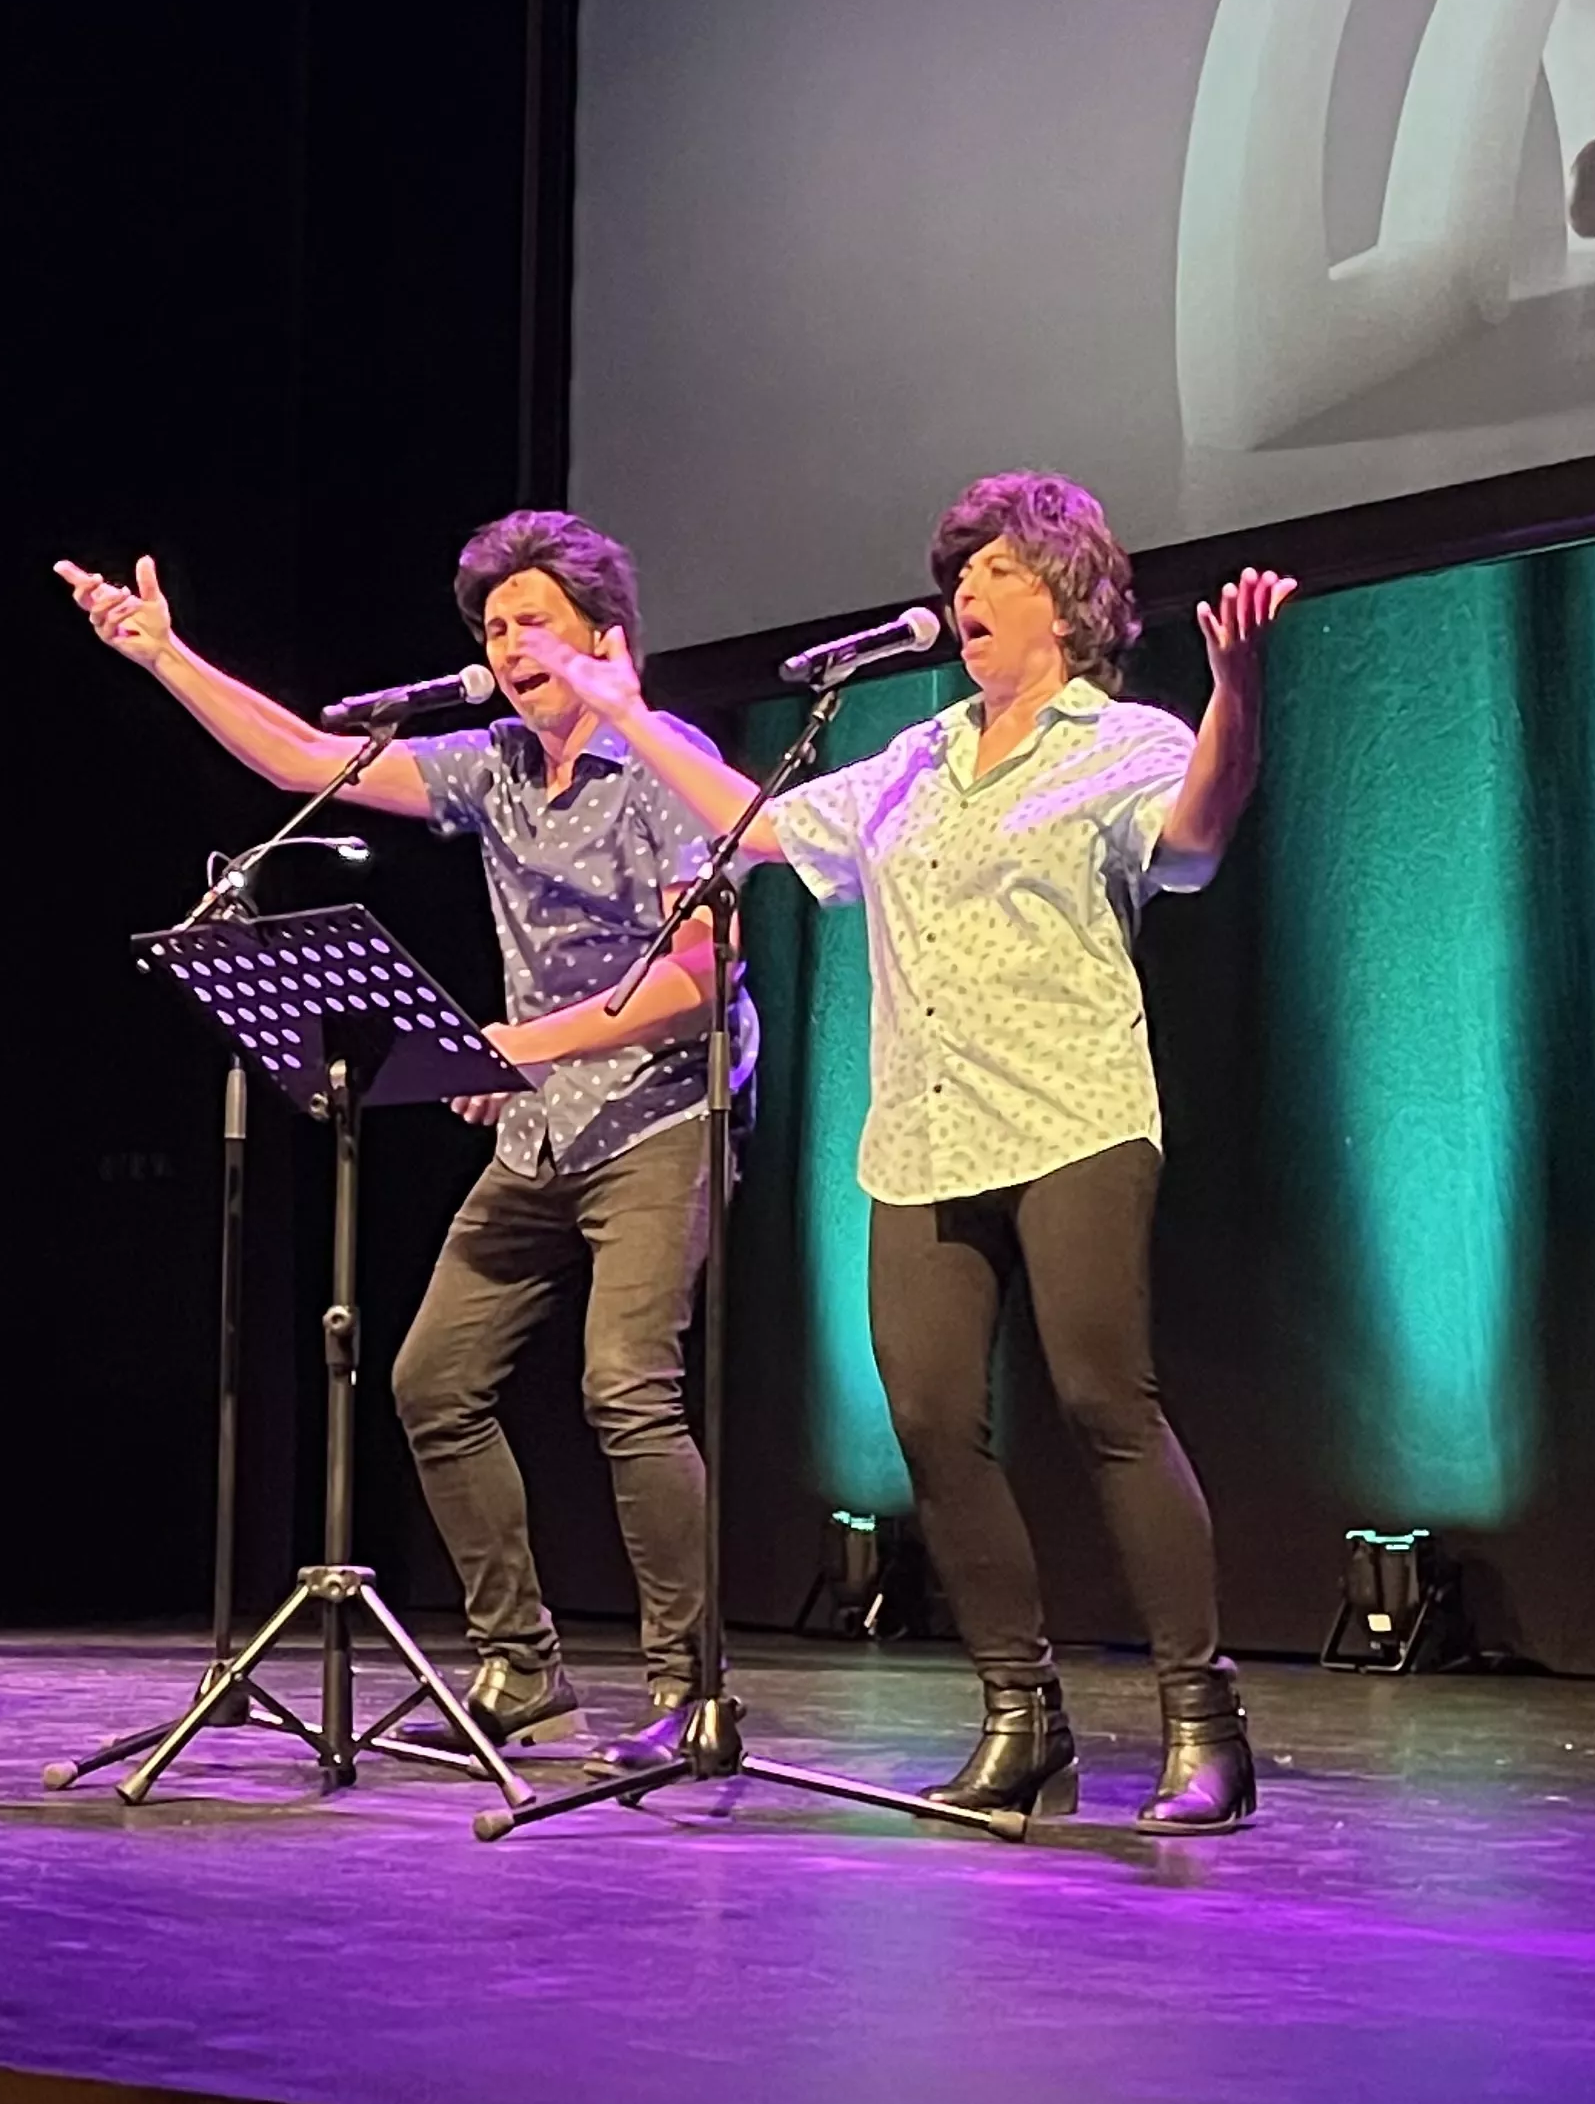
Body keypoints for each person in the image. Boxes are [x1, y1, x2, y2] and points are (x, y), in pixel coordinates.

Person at [513, 471, 1290, 1833]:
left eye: (991, 573)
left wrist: (1240, 694)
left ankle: (1200, 1720)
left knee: (1108, 1402)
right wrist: (629, 709)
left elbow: (1196, 843)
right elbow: (754, 830)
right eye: (959, 576)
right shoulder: (918, 760)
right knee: (932, 1419)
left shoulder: (1127, 742)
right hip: (924, 1131)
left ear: (1066, 596)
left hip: (1073, 1114)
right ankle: (1018, 1713)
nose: (963, 596)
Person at [58, 512, 756, 1768]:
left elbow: (705, 974)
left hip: (657, 1116)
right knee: (433, 1381)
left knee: (625, 1388)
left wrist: (523, 1046)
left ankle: (689, 1690)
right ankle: (523, 1669)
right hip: (542, 1132)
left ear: (606, 639)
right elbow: (305, 762)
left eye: (532, 620)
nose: (507, 642)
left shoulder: (665, 764)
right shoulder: (492, 765)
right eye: (493, 628)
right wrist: (164, 655)